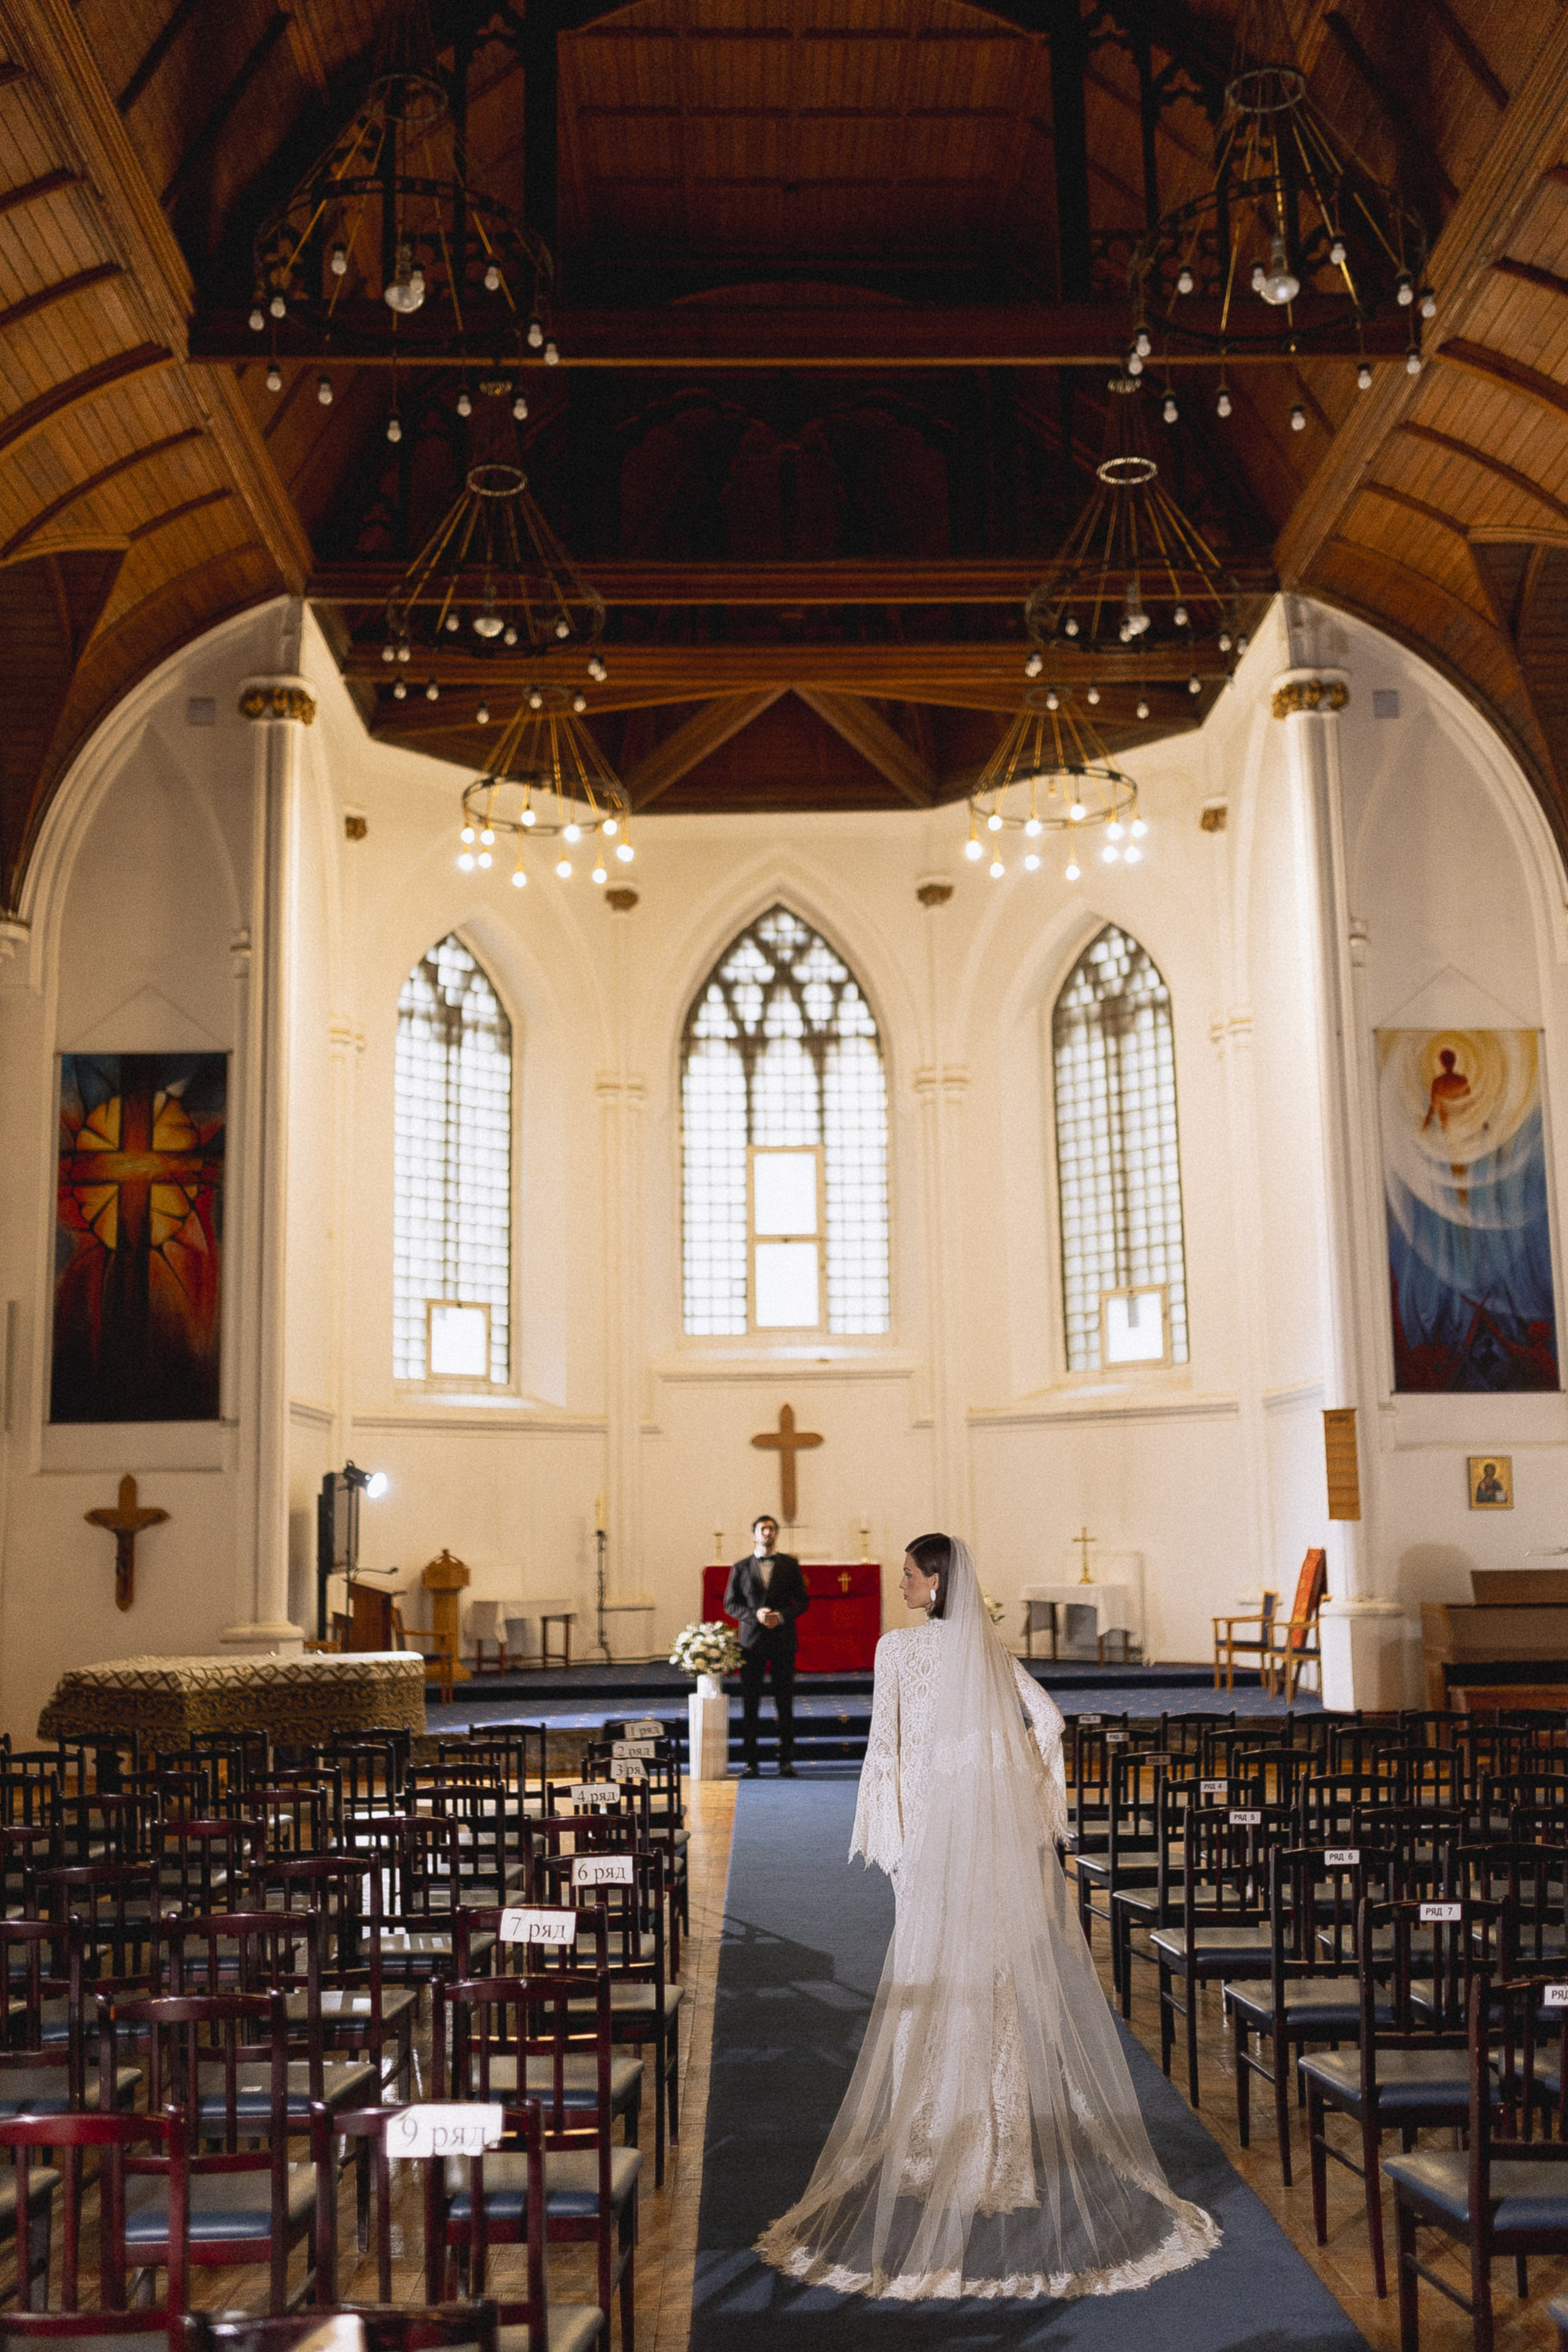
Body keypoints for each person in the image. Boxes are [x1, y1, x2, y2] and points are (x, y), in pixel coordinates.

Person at [758, 1532, 1219, 2301]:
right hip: (990, 1842)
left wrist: (893, 1842)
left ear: (936, 1583)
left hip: (928, 1846)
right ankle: (1001, 2154)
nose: (900, 1584)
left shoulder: (897, 1652)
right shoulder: (989, 1651)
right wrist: (1025, 1808)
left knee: (931, 1980)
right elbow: (1051, 1726)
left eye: (909, 1575)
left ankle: (933, 2149)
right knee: (994, 1983)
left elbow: (884, 1751)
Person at [723, 1513, 810, 1778]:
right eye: (763, 1529)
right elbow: (730, 1603)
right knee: (750, 1704)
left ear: (776, 1534)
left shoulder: (790, 1565)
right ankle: (751, 1762)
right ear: (754, 1534)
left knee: (785, 1703)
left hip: (783, 1641)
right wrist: (755, 1616)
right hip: (752, 1643)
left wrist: (782, 1616)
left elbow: (803, 1601)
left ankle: (786, 1760)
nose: (768, 1534)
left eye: (772, 1529)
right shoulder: (740, 1567)